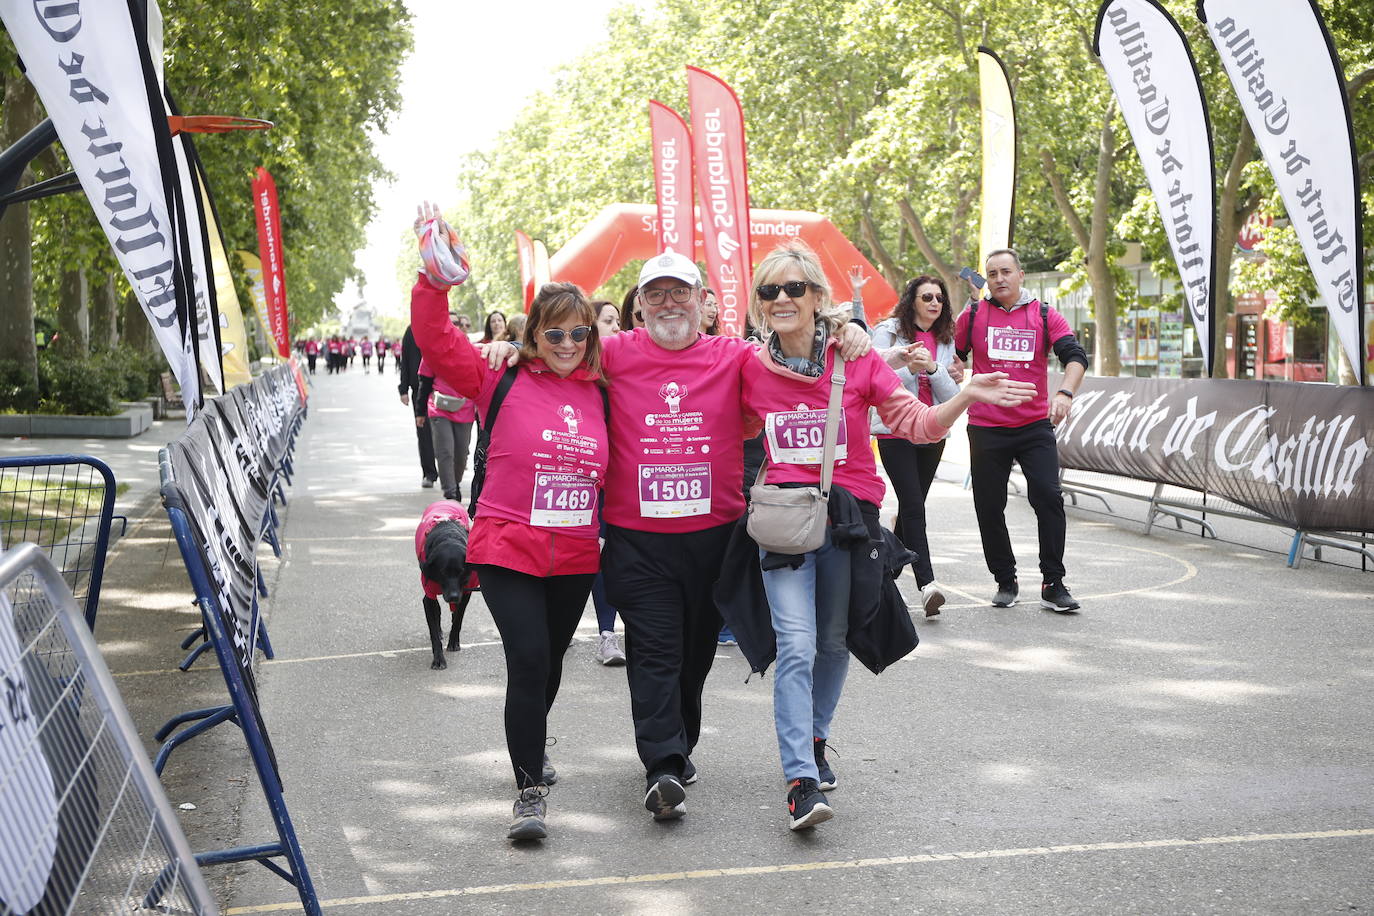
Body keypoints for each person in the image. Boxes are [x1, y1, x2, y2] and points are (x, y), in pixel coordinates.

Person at [483, 251, 873, 823]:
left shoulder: (736, 356)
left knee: (693, 657)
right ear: (639, 306)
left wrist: (844, 331)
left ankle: (679, 747)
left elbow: (797, 358)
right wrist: (510, 349)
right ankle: (661, 765)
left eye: (681, 292)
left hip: (715, 535)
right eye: (657, 294)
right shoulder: (610, 354)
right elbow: (553, 356)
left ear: (703, 302)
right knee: (655, 652)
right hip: (638, 539)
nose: (670, 304)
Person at [733, 241, 1034, 830]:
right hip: (784, 524)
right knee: (794, 646)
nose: (782, 300)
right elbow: (724, 416)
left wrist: (964, 396)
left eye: (794, 288)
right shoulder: (749, 365)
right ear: (758, 304)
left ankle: (816, 740)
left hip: (849, 524)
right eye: (769, 291)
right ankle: (800, 779)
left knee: (834, 639)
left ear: (818, 297)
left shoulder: (857, 360)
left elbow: (917, 426)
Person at [411, 201, 609, 842]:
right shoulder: (498, 375)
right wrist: (434, 281)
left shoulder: (605, 385)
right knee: (527, 659)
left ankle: (531, 741)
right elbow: (436, 342)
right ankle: (528, 791)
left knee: (549, 664)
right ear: (533, 336)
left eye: (579, 333)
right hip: (505, 546)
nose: (568, 344)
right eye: (554, 334)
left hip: (575, 553)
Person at [954, 248, 1089, 612]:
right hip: (986, 426)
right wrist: (952, 370)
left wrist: (1064, 393)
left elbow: (1075, 357)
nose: (999, 279)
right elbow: (954, 353)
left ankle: (1053, 582)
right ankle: (1004, 578)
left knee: (1047, 497)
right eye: (992, 273)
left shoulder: (1044, 314)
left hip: (1033, 426)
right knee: (989, 505)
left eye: (1006, 272)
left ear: (1020, 274)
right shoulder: (974, 313)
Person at [870, 275, 964, 616]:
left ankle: (883, 574)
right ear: (912, 300)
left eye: (939, 298)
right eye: (927, 297)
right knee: (913, 505)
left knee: (912, 510)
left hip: (932, 430)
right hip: (895, 430)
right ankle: (928, 584)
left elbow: (952, 396)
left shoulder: (944, 339)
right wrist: (908, 365)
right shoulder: (890, 332)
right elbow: (877, 377)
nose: (935, 303)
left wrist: (935, 367)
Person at [417, 337, 476, 502]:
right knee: (445, 451)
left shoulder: (471, 351)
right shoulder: (432, 353)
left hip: (465, 408)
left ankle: (455, 483)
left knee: (461, 453)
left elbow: (480, 380)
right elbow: (424, 384)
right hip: (439, 408)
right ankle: (450, 492)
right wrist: (420, 412)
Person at [398, 324, 439, 489]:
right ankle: (429, 473)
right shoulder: (411, 330)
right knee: (424, 433)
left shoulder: (442, 327)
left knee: (446, 433)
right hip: (420, 389)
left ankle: (449, 472)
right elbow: (405, 360)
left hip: (444, 388)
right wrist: (403, 388)